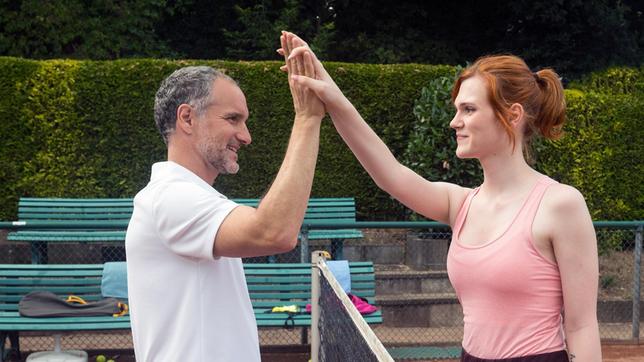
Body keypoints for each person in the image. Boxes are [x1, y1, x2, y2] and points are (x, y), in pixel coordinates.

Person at [279, 32, 601, 361]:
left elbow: (582, 326)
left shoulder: (560, 204)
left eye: (469, 109)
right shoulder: (460, 204)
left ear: (512, 115)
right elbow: (389, 174)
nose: (454, 121)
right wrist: (331, 94)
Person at [125, 33, 324, 362]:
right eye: (233, 119)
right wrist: (307, 117)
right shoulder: (171, 197)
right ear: (187, 118)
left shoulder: (184, 196)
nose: (246, 136)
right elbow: (272, 231)